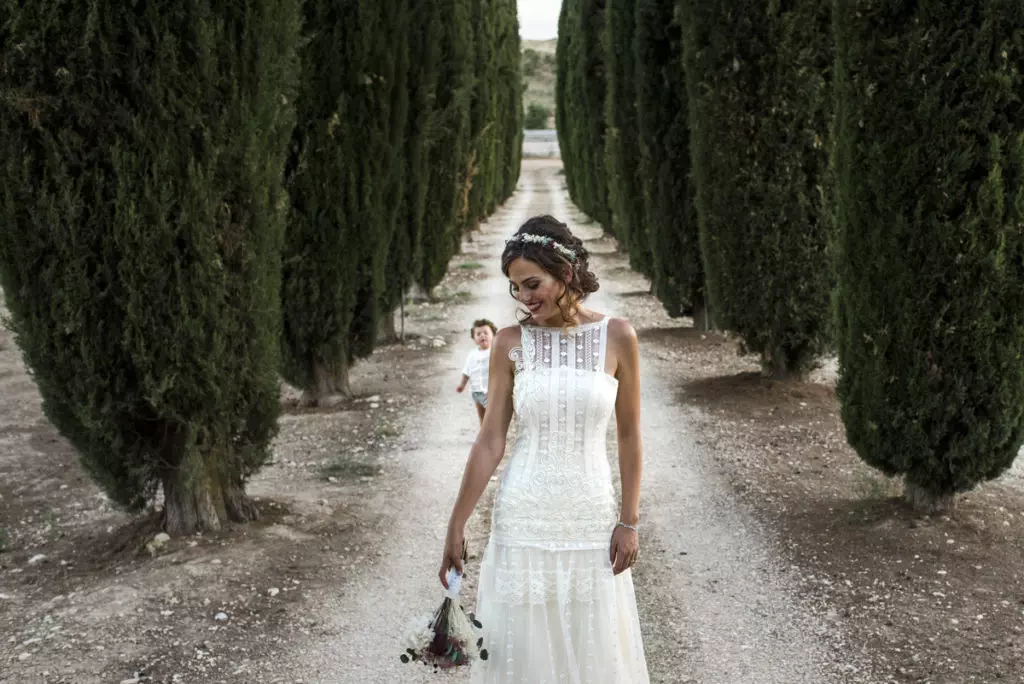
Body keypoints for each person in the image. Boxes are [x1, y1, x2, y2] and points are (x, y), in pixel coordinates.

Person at [440, 215, 650, 682]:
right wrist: (457, 523)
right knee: (525, 654)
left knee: (593, 648)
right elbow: (491, 439)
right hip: (523, 516)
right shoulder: (510, 345)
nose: (523, 297)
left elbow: (630, 435)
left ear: (565, 272)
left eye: (531, 283)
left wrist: (629, 520)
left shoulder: (618, 336)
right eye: (515, 288)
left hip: (590, 516)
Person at [457, 319, 497, 424]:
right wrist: (462, 385)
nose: (482, 335)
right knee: (481, 415)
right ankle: (484, 435)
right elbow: (466, 371)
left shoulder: (495, 352)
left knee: (492, 415)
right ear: (474, 339)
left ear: (493, 335)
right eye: (478, 334)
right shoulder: (472, 354)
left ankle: (492, 434)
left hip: (491, 391)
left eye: (486, 333)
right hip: (476, 391)